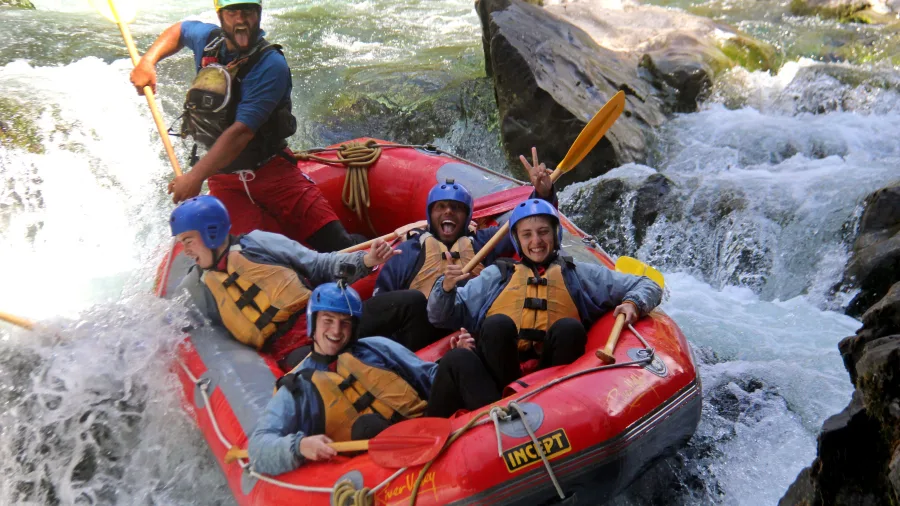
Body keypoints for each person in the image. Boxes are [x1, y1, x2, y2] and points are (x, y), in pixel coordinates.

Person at [131, 0, 361, 252]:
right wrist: (148, 61)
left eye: (248, 11)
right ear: (220, 15)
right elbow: (180, 30)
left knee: (337, 245)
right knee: (245, 260)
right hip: (225, 181)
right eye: (232, 12)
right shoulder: (209, 40)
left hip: (274, 175)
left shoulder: (270, 65)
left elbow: (241, 133)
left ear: (259, 14)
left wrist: (195, 177)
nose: (240, 19)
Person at [247, 282, 498, 475]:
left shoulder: (374, 346)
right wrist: (299, 447)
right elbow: (258, 448)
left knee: (458, 360)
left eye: (345, 323)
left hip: (426, 426)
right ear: (314, 323)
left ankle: (501, 434)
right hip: (381, 467)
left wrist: (456, 359)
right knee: (366, 427)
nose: (336, 331)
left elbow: (429, 376)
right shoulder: (297, 387)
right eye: (328, 321)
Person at [427, 199, 663, 391]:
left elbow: (647, 284)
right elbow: (441, 317)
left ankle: (554, 403)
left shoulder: (578, 274)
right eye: (527, 235)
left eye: (543, 232)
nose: (536, 241)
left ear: (556, 235)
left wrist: (634, 302)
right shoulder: (496, 275)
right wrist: (445, 288)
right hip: (502, 376)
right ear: (517, 240)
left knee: (569, 328)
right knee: (497, 325)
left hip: (553, 376)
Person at [356, 148, 557, 351]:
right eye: (441, 207)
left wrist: (543, 194)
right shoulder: (408, 251)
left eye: (456, 207)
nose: (448, 211)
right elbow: (383, 305)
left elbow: (527, 227)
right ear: (430, 214)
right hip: (420, 333)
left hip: (471, 328)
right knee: (412, 299)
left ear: (468, 216)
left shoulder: (484, 242)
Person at [170, 195, 398, 370]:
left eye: (188, 241)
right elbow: (170, 324)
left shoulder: (258, 243)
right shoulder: (195, 289)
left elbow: (320, 266)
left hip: (331, 320)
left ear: (211, 233)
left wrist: (367, 260)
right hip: (294, 352)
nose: (186, 251)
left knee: (406, 305)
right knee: (336, 364)